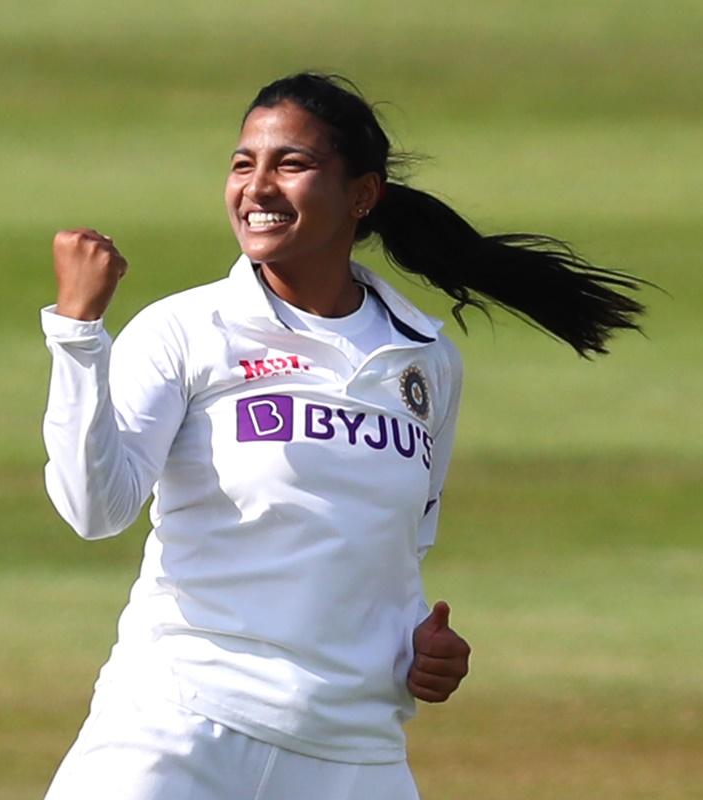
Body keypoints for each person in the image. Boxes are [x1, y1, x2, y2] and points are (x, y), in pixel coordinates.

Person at [38, 72, 644, 800]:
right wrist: (78, 335)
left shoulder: (424, 358)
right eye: (242, 164)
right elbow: (93, 509)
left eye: (290, 164)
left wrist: (419, 646)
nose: (256, 187)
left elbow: (391, 550)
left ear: (362, 195)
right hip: (180, 730)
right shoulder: (188, 331)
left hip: (352, 756)